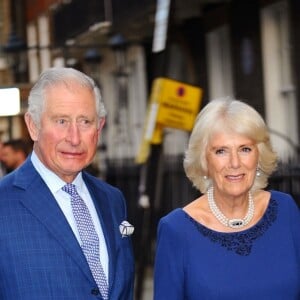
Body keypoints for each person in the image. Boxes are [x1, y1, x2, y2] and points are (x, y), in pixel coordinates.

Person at [0, 67, 135, 299]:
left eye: (85, 121)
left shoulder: (112, 200)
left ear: (99, 127)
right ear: (33, 126)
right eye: (61, 121)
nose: (74, 138)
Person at [154, 97, 300, 299]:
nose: (234, 163)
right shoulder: (176, 230)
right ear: (204, 160)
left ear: (259, 156)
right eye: (221, 151)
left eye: (245, 149)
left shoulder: (286, 210)